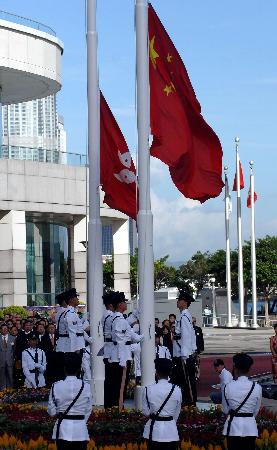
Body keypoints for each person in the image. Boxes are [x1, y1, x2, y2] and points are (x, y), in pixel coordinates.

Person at [47, 353, 93, 450]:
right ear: (79, 368)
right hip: (80, 431)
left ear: (64, 368)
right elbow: (88, 410)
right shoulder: (86, 387)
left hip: (63, 430)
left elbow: (51, 412)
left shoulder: (56, 386)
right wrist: (80, 421)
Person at [109, 291, 143, 408]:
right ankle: (117, 409)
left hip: (123, 355)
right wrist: (123, 359)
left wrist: (143, 336)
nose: (126, 304)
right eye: (124, 302)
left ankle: (118, 406)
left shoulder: (120, 319)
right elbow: (120, 341)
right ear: (119, 305)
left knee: (120, 385)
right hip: (122, 356)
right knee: (120, 385)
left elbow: (132, 336)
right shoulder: (119, 320)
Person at [222, 353, 262, 450]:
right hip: (250, 428)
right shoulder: (257, 387)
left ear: (234, 367)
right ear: (249, 369)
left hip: (233, 427)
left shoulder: (228, 387)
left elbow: (225, 409)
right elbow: (256, 410)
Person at [142, 358, 182, 450]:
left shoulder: (148, 389)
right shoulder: (177, 389)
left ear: (156, 372)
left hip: (154, 431)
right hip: (171, 431)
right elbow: (177, 412)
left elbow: (146, 412)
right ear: (170, 373)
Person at [171, 290, 197, 406]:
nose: (177, 302)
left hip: (184, 355)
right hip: (180, 353)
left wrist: (185, 354)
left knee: (187, 381)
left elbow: (186, 336)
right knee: (181, 380)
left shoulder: (185, 316)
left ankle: (191, 403)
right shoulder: (182, 315)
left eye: (179, 300)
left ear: (185, 302)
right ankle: (186, 402)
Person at [101, 291, 116, 408]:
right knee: (112, 379)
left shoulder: (106, 314)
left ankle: (110, 405)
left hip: (108, 348)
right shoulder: (110, 316)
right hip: (111, 349)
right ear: (111, 304)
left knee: (110, 379)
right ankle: (111, 406)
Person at [0, 324, 16, 390]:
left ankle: (10, 391)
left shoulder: (13, 338)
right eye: (3, 329)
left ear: (8, 330)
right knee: (1, 377)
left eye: (6, 329)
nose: (4, 330)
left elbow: (14, 350)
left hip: (10, 361)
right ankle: (2, 391)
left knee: (10, 376)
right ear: (0, 330)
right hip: (1, 361)